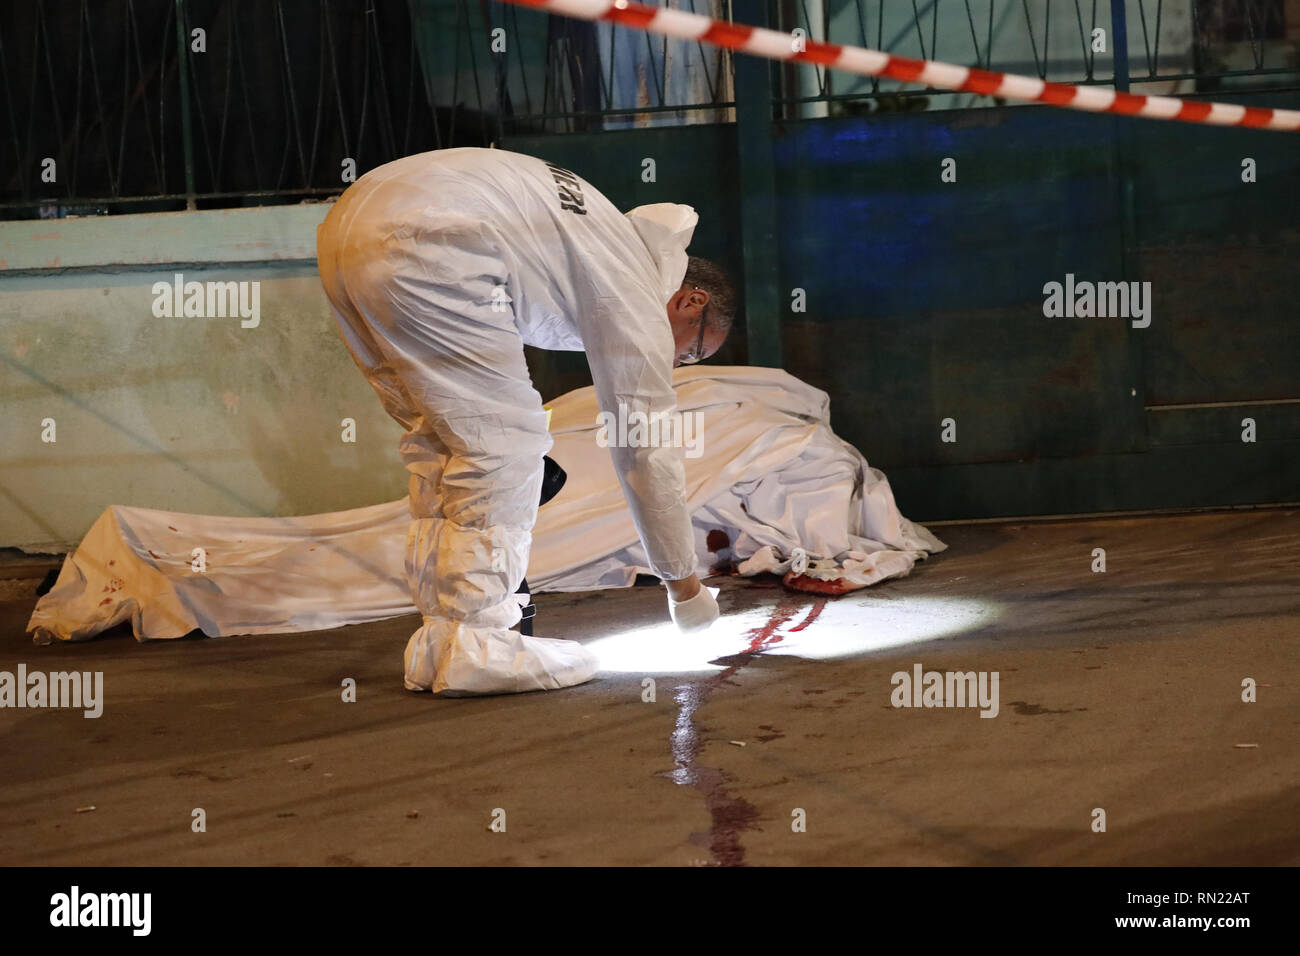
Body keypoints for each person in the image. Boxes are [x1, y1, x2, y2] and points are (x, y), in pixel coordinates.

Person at [315, 147, 735, 696]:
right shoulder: (633, 284)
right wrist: (685, 589)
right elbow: (645, 449)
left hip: (348, 230)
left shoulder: (603, 238)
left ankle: (441, 642)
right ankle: (480, 645)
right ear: (691, 301)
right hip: (429, 239)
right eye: (695, 352)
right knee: (504, 445)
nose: (678, 363)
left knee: (443, 443)